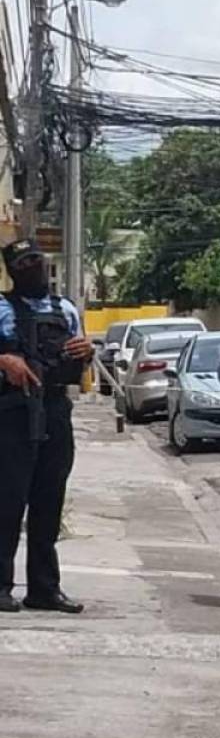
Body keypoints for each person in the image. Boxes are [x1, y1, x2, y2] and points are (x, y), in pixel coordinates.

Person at [0, 239, 93, 613]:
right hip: (12, 414)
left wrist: (87, 353)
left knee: (48, 503)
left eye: (37, 260)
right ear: (12, 270)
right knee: (7, 503)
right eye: (24, 263)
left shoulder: (64, 308)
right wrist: (4, 359)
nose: (33, 268)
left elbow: (81, 356)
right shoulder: (3, 307)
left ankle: (43, 588)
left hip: (55, 411)